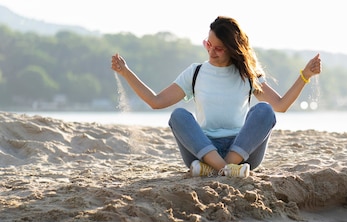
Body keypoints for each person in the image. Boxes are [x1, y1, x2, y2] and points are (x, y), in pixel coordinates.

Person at [111, 16, 322, 178]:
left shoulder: (248, 75)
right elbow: (155, 101)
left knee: (264, 110)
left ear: (233, 49)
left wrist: (306, 75)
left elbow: (281, 106)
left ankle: (216, 169)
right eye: (209, 45)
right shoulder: (195, 72)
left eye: (219, 48)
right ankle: (225, 169)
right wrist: (126, 72)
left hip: (242, 151)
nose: (211, 52)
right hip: (203, 149)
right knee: (178, 116)